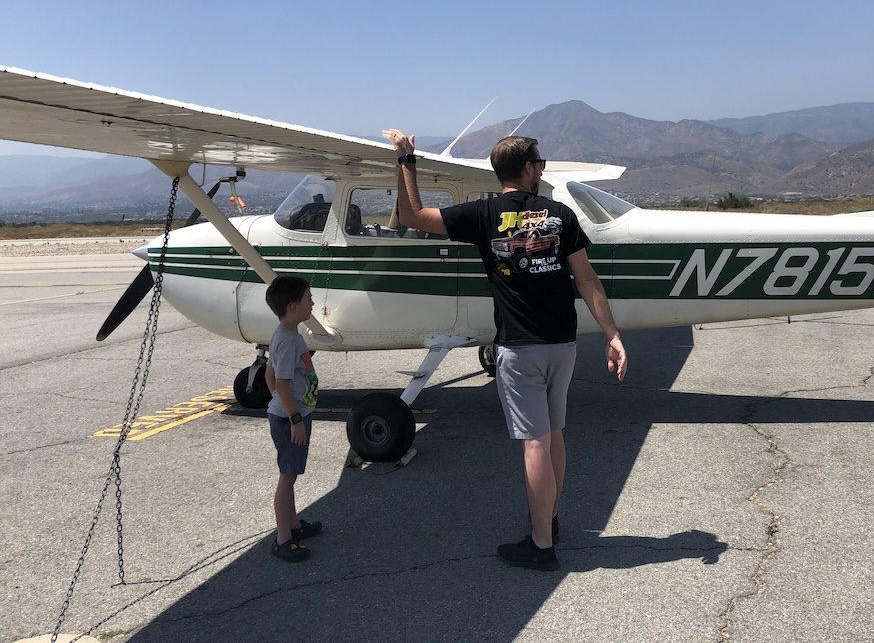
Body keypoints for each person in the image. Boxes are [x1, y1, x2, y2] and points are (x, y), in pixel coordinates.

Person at [382, 128, 627, 571]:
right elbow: (587, 280)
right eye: (541, 163)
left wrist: (406, 160)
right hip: (563, 345)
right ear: (529, 168)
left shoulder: (482, 214)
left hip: (519, 347)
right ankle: (550, 519)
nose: (542, 169)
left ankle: (541, 545)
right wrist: (611, 334)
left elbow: (412, 216)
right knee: (553, 435)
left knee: (534, 444)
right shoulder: (560, 216)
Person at [264, 275, 323, 563]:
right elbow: (282, 383)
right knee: (287, 478)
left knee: (292, 474)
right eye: (308, 298)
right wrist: (293, 416)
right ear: (293, 306)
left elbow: (269, 376)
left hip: (289, 414)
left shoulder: (285, 334)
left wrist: (281, 404)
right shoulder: (288, 341)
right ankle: (283, 539)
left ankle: (295, 526)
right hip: (292, 419)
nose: (312, 301)